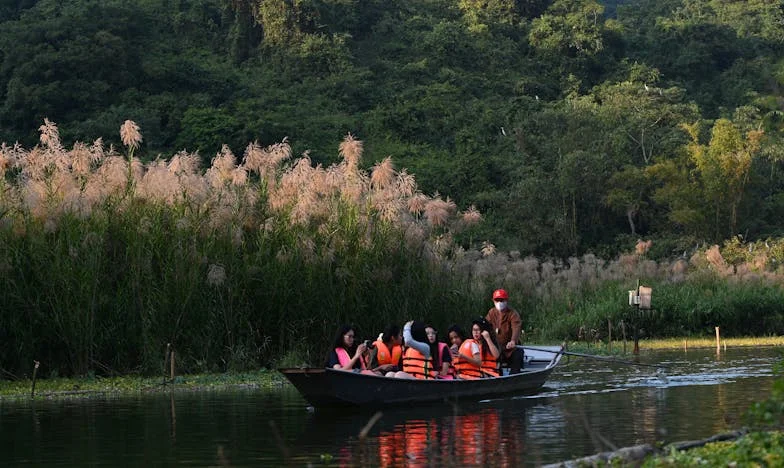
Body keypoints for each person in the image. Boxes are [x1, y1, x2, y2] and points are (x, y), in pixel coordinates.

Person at [485, 288, 524, 374]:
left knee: (518, 354)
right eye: (497, 300)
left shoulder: (513, 313)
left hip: (510, 349)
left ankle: (514, 377)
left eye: (502, 300)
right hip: (497, 349)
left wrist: (513, 340)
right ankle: (495, 375)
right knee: (491, 357)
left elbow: (516, 327)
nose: (499, 302)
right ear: (493, 301)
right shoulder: (491, 313)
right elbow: (485, 326)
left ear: (506, 301)